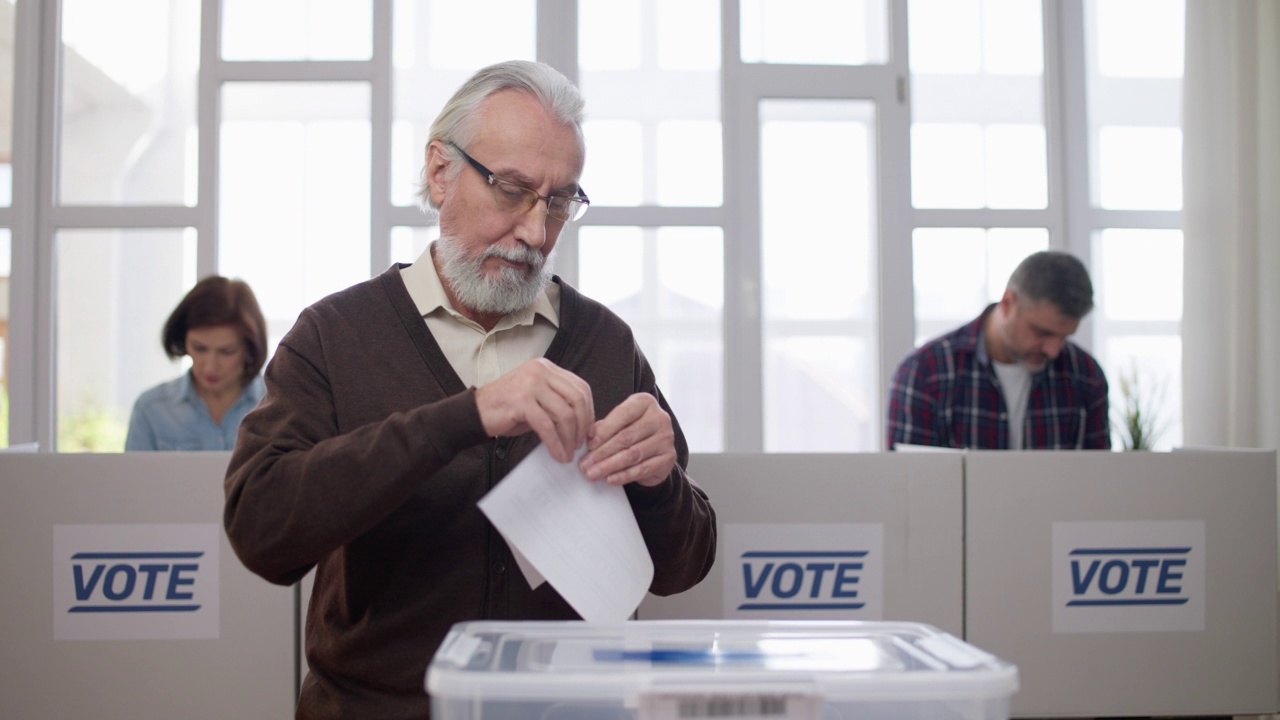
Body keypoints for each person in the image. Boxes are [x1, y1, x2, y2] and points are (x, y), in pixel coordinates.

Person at [222, 60, 717, 720]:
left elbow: (684, 565)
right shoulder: (335, 336)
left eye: (561, 201)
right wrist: (469, 415)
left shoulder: (606, 342)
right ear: (439, 172)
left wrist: (660, 483)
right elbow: (261, 530)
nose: (537, 232)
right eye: (512, 190)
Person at [886, 250, 1110, 450]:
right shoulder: (925, 372)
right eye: (1043, 333)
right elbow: (910, 486)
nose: (1053, 351)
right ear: (1008, 303)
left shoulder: (1086, 376)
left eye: (1065, 337)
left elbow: (1097, 484)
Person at [125, 275, 267, 451]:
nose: (210, 366)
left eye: (226, 352)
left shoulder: (279, 406)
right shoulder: (150, 410)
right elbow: (135, 479)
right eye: (199, 348)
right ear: (183, 340)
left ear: (249, 348)